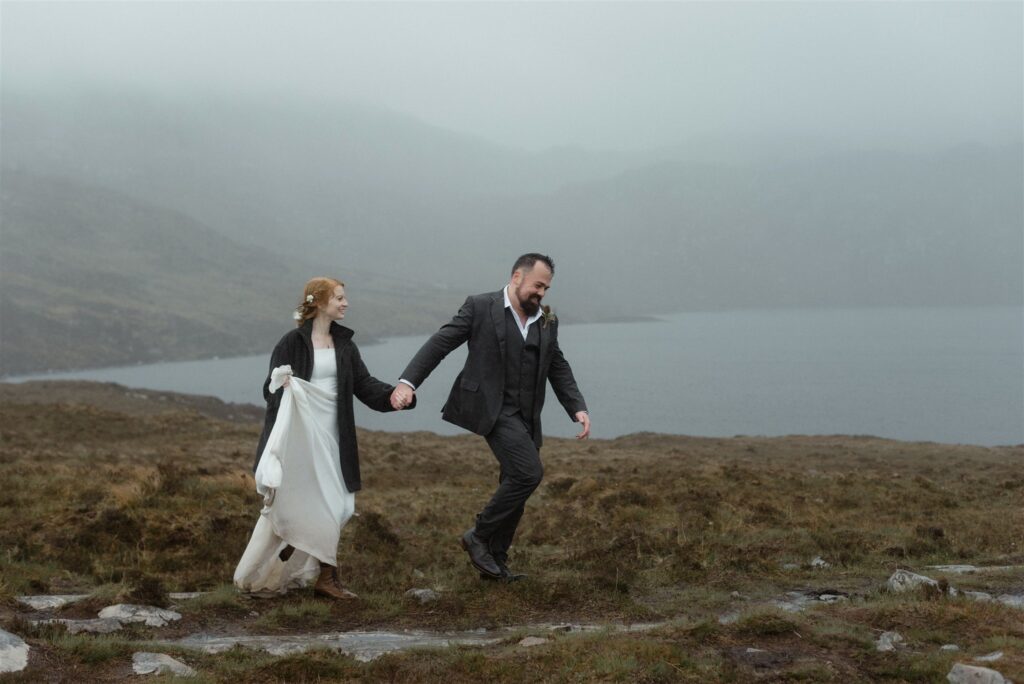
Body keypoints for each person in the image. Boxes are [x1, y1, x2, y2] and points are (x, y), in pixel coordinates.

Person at [390, 253, 589, 582]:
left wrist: (576, 406)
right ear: (516, 278)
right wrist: (407, 383)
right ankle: (478, 537)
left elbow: (557, 364)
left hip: (528, 414)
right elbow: (440, 343)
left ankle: (495, 562)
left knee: (515, 482)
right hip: (490, 408)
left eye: (546, 288)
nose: (541, 293)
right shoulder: (480, 306)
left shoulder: (546, 319)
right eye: (537, 285)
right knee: (528, 474)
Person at [234, 277, 410, 600]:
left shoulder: (344, 345)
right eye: (340, 298)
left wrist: (393, 398)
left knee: (340, 505)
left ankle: (299, 552)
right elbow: (269, 392)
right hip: (302, 441)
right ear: (319, 302)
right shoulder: (291, 343)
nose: (346, 303)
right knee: (311, 505)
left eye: (345, 298)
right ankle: (326, 578)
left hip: (335, 436)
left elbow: (365, 385)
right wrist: (281, 385)